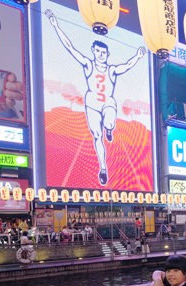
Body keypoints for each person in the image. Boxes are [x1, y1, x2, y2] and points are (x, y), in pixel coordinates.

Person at [46, 9, 146, 186]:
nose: (100, 55)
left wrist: (138, 56)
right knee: (97, 136)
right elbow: (70, 47)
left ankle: (110, 127)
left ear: (107, 55)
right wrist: (54, 23)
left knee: (108, 121)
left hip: (108, 102)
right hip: (92, 102)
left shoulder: (112, 70)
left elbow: (128, 65)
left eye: (103, 53)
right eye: (98, 52)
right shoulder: (88, 65)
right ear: (93, 51)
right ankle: (103, 169)